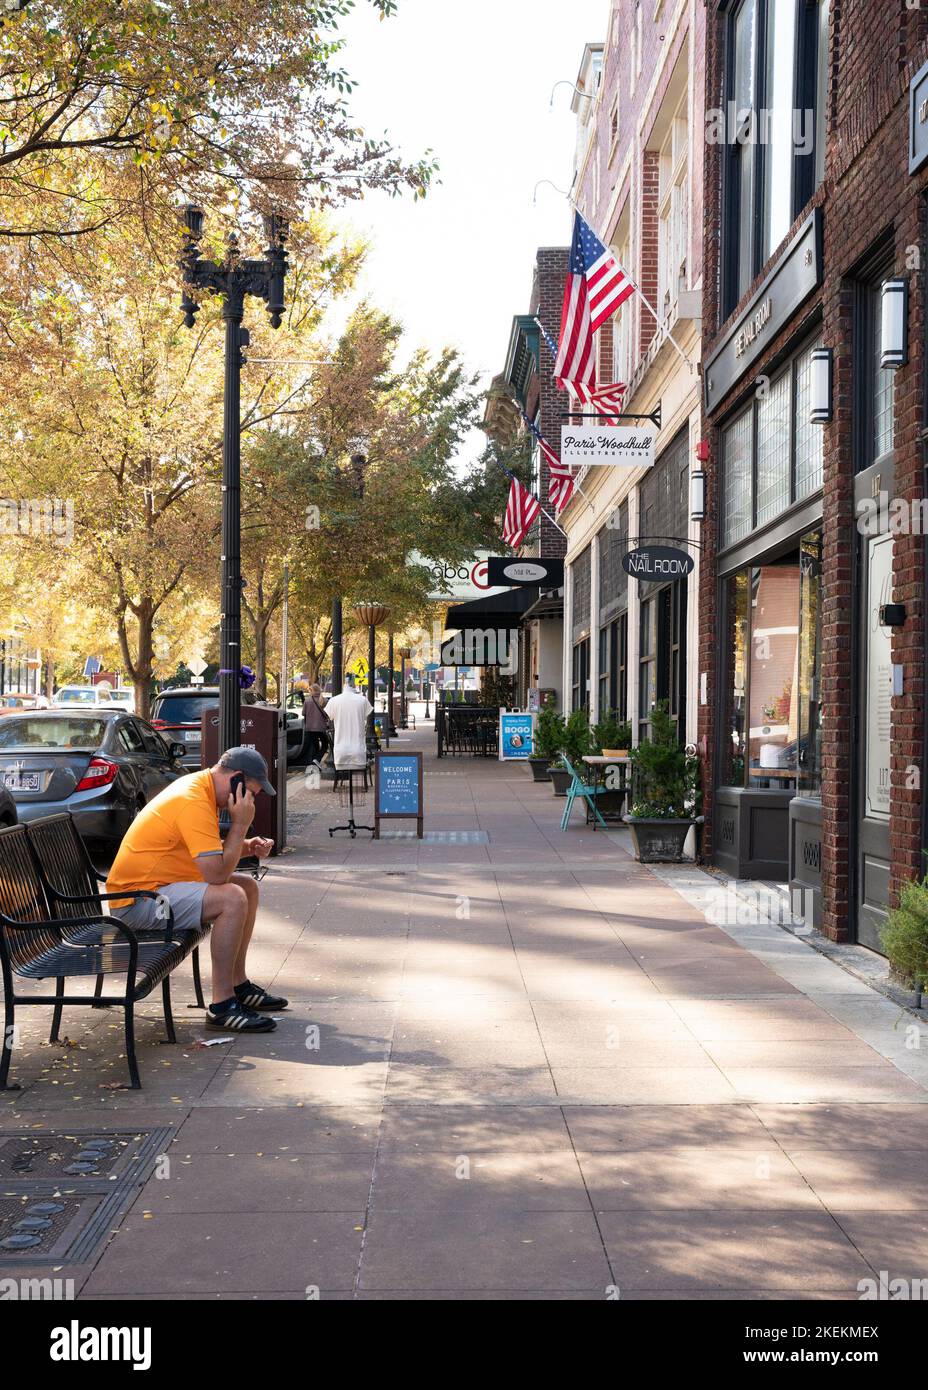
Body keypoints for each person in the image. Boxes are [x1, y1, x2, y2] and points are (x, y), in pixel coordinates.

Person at [106, 746, 288, 1033]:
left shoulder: (200, 789)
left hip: (157, 892)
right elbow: (216, 875)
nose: (251, 800)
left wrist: (247, 845)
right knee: (231, 897)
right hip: (137, 902)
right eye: (251, 792)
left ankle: (238, 985)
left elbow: (210, 856)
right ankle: (222, 1006)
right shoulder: (193, 801)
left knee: (247, 887)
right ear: (237, 780)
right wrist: (240, 825)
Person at [302, 682, 331, 765]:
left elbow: (304, 713)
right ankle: (317, 760)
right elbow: (328, 714)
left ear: (312, 691)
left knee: (315, 746)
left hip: (310, 728)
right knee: (325, 745)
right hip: (322, 727)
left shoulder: (307, 701)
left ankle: (314, 762)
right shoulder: (324, 700)